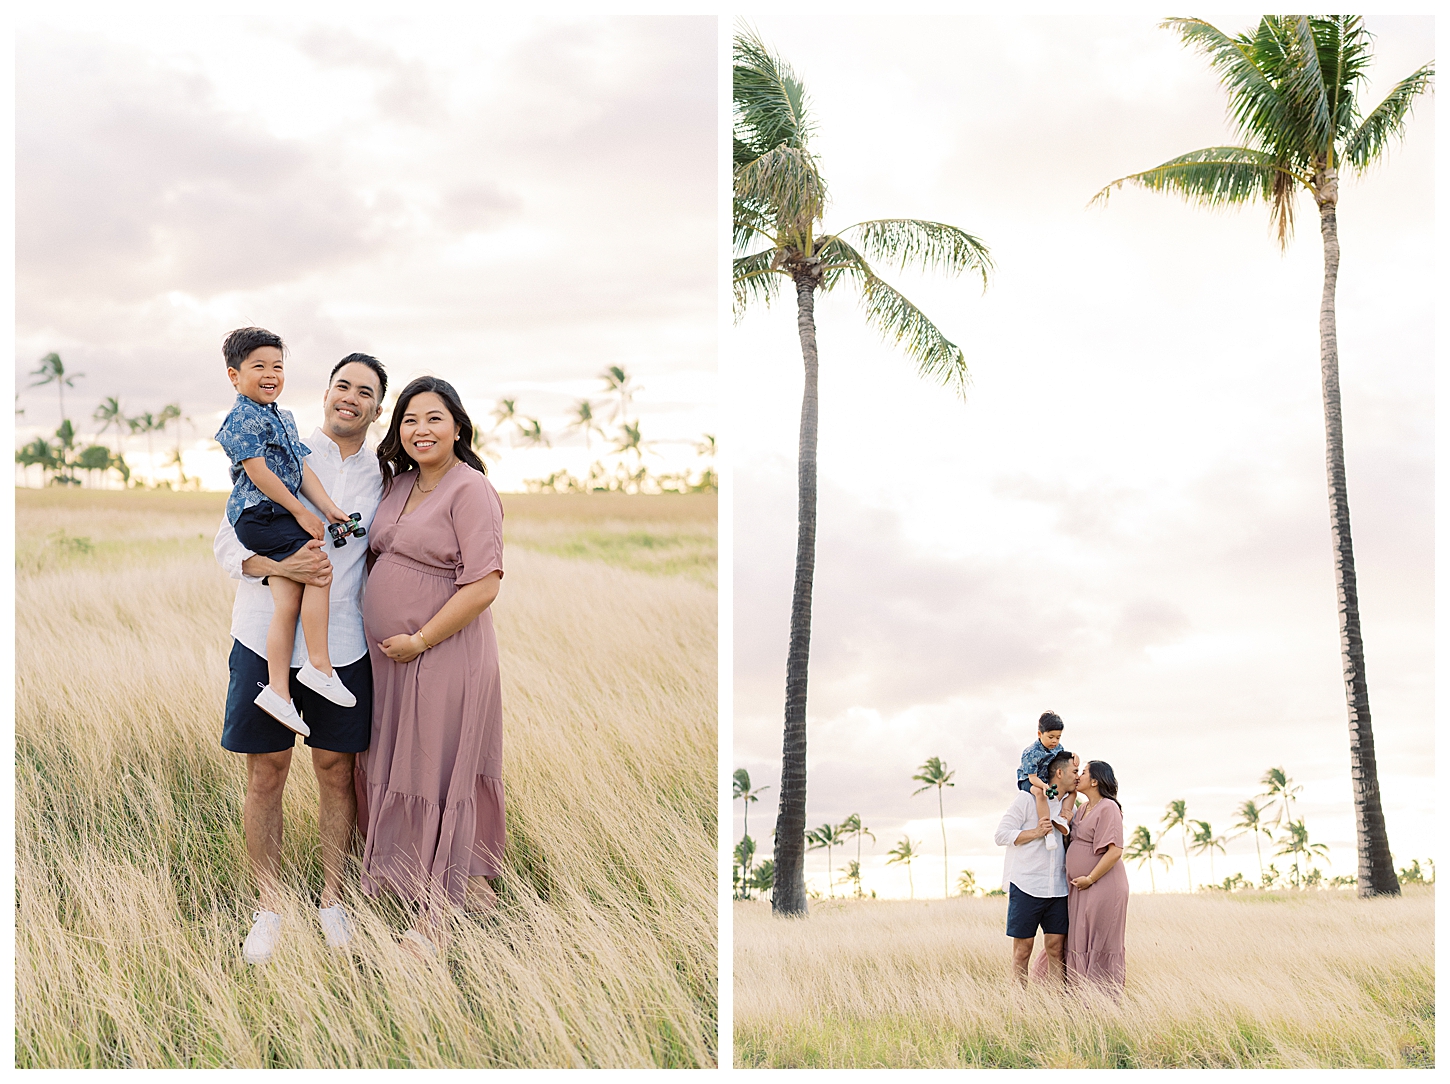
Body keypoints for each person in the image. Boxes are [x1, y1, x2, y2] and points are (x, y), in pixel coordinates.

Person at [214, 353, 388, 965]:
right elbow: (227, 547)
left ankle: (333, 902)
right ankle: (268, 909)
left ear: (376, 406)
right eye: (342, 385)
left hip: (345, 643)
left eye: (364, 391)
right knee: (267, 774)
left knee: (337, 772)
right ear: (326, 393)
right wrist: (282, 566)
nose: (350, 397)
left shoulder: (385, 476)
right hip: (262, 636)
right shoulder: (280, 446)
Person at [356, 376, 505, 957]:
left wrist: (420, 639)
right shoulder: (400, 484)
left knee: (436, 768)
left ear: (458, 427)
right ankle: (410, 882)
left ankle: (439, 911)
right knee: (399, 761)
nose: (420, 430)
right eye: (409, 420)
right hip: (390, 658)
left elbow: (484, 584)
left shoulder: (471, 490)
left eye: (434, 418)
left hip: (443, 652)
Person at [215, 327, 359, 733]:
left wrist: (329, 509)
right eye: (258, 366)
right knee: (319, 568)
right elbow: (258, 472)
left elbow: (301, 469)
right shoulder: (241, 417)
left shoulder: (284, 416)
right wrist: (301, 513)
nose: (270, 374)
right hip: (259, 516)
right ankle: (319, 665)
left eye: (277, 366)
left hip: (272, 515)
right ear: (234, 375)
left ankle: (279, 691)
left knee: (289, 601)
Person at [995, 748, 1077, 984]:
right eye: (1074, 771)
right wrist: (1036, 832)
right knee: (1022, 951)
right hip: (1026, 885)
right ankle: (1020, 1005)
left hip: (1058, 888)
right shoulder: (1027, 798)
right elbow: (1001, 835)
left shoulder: (1069, 807)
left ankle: (1056, 1005)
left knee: (1056, 949)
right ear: (1059, 773)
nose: (1078, 775)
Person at [1065, 760, 1128, 996]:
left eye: (1083, 772)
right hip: (1081, 887)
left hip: (1102, 885)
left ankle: (1103, 1001)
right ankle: (1080, 999)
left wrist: (1090, 878)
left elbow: (1115, 851)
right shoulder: (1082, 809)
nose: (1078, 776)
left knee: (1100, 939)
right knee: (1079, 939)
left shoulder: (1108, 807)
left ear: (1095, 781)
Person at [1017, 710, 1078, 852]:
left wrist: (1075, 756)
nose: (1054, 741)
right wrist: (1044, 786)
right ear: (1040, 734)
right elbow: (1032, 777)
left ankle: (1063, 816)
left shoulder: (1058, 748)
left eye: (1058, 737)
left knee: (1072, 789)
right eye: (1051, 737)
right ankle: (1048, 832)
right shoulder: (1031, 752)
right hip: (1028, 780)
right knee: (1039, 792)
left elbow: (1064, 761)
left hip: (1045, 779)